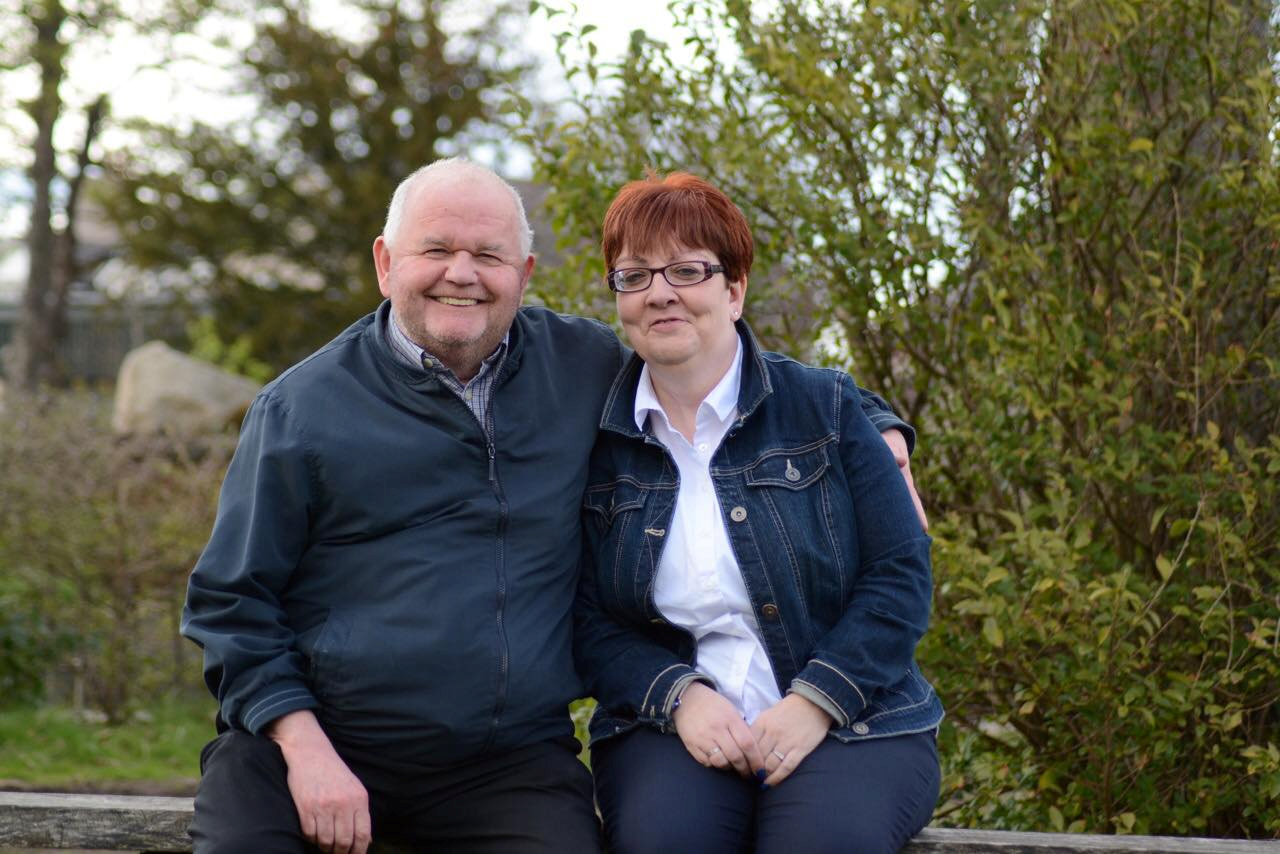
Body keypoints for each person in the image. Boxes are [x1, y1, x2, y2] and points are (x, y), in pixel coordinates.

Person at [180, 158, 923, 854]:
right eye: (435, 250)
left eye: (489, 256)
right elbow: (231, 604)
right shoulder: (302, 410)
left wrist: (879, 426)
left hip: (502, 761)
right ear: (385, 264)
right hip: (320, 741)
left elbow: (724, 364)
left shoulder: (582, 366)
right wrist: (303, 748)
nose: (461, 275)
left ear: (524, 274)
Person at [574, 171, 944, 854]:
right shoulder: (594, 441)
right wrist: (678, 695)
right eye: (634, 276)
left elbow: (900, 575)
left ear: (735, 288)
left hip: (853, 719)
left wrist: (816, 701)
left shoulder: (825, 410)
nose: (660, 293)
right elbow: (589, 617)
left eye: (687, 270)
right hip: (669, 727)